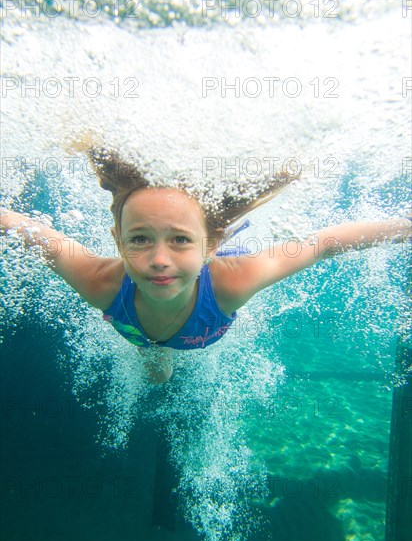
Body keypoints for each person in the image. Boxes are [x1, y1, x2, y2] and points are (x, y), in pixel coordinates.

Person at [1, 147, 411, 384]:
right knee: (156, 375)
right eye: (140, 239)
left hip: (207, 305)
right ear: (118, 242)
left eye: (180, 239)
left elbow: (323, 243)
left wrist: (406, 227)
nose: (160, 260)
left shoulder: (234, 283)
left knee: (158, 370)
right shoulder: (100, 282)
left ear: (210, 243)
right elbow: (31, 231)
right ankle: (158, 353)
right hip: (147, 336)